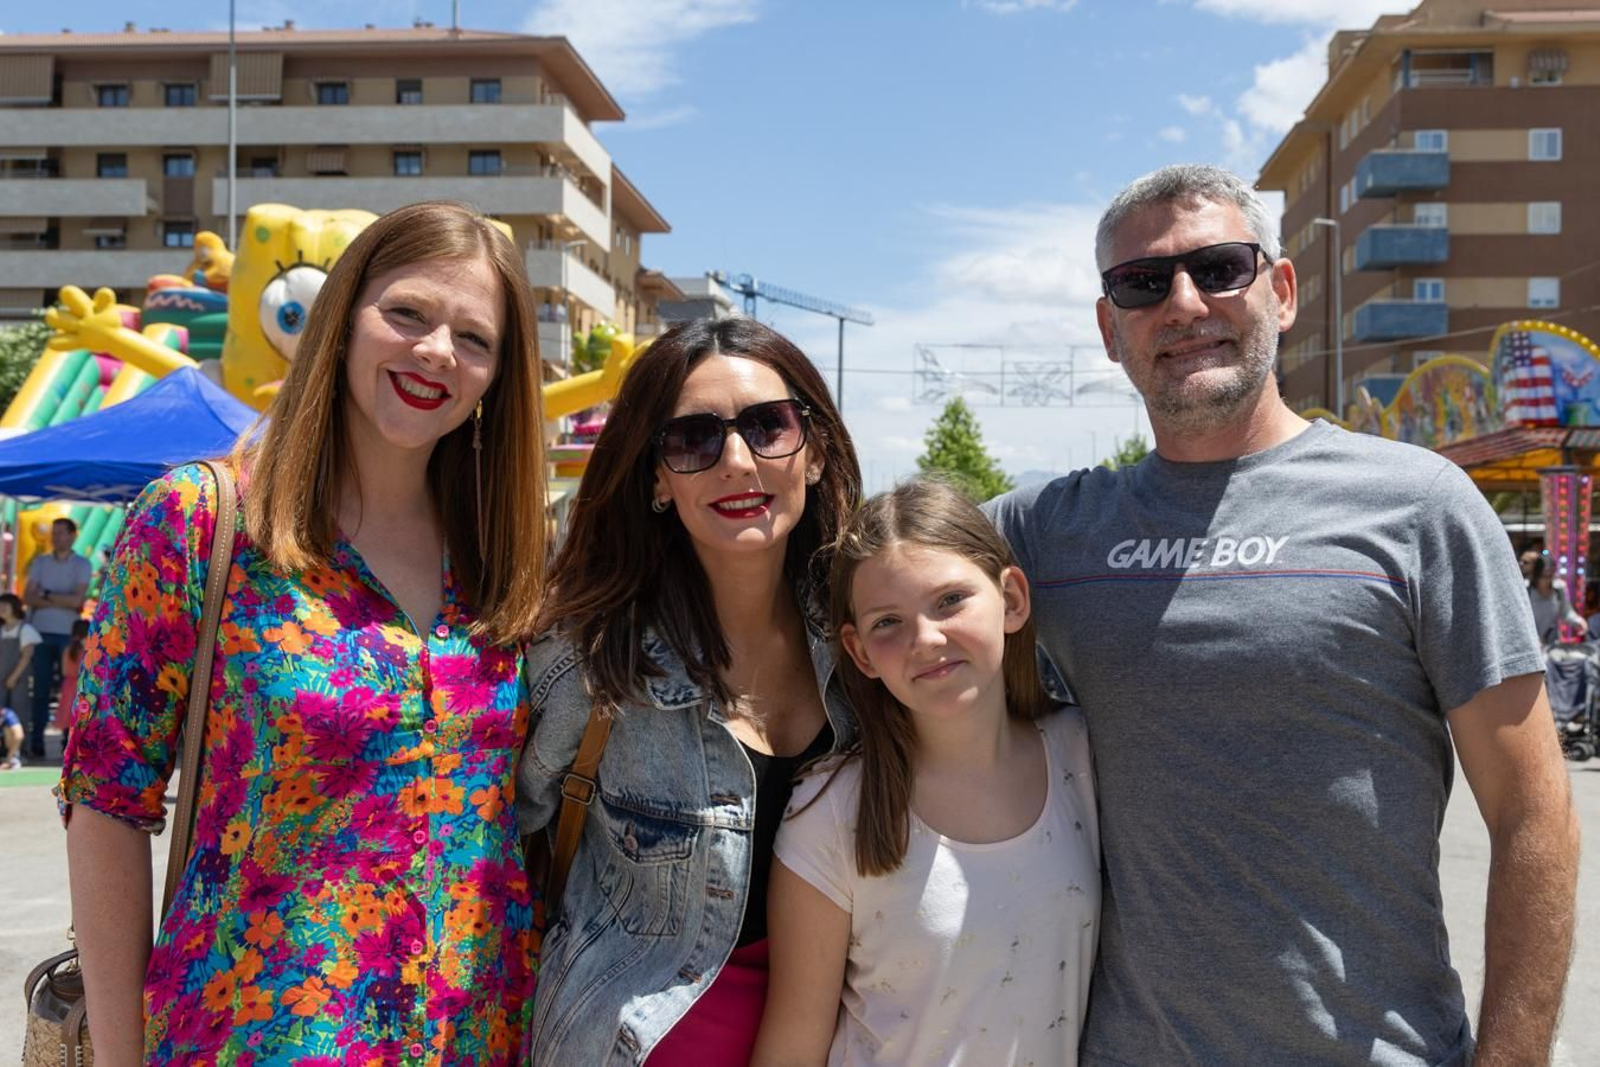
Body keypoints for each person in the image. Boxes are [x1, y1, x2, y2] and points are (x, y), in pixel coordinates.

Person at [985, 164, 1580, 1066]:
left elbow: (1534, 812)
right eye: (1143, 283)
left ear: (1283, 289)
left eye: (1221, 267)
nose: (1184, 303)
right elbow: (856, 581)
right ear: (1110, 329)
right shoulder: (1046, 531)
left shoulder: (1420, 506)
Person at [58, 200, 547, 1063]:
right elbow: (105, 802)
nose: (437, 351)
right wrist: (119, 1054)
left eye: (475, 339)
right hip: (251, 1038)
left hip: (476, 1040)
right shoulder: (201, 522)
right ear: (342, 320)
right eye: (407, 313)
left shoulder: (506, 564)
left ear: (496, 381)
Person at [517, 317, 863, 1065]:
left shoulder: (871, 646)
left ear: (815, 452)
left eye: (769, 426)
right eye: (693, 439)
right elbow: (496, 854)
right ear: (656, 479)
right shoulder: (591, 660)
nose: (737, 461)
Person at [752, 478, 1099, 1067]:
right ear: (860, 653)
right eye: (888, 622)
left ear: (1011, 599)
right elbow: (793, 1042)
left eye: (949, 601)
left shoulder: (1083, 756)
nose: (926, 639)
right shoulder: (832, 810)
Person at [23, 516, 90, 758]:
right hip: (40, 632)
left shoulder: (82, 564)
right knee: (40, 690)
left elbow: (78, 600)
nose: (55, 537)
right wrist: (63, 599)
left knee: (71, 689)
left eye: (60, 532)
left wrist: (46, 594)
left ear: (72, 535)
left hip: (69, 635)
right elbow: (27, 597)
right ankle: (36, 740)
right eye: (54, 532)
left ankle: (68, 740)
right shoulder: (40, 562)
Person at [0, 593, 42, 756]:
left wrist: (14, 677)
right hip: (1, 679)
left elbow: (26, 656)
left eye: (5, 606)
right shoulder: (2, 630)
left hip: (18, 680)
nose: (2, 609)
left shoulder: (26, 629)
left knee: (20, 712)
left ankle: (22, 750)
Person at [1523, 551, 1585, 643]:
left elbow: (1566, 613)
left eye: (1550, 576)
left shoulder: (1559, 588)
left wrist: (1578, 621)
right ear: (1536, 575)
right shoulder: (1526, 589)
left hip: (1551, 641)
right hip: (1529, 641)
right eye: (1544, 576)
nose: (1547, 580)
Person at [55, 618, 90, 752]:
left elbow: (64, 670)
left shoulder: (69, 649)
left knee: (68, 713)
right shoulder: (90, 650)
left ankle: (66, 742)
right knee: (83, 713)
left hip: (69, 684)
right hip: (84, 684)